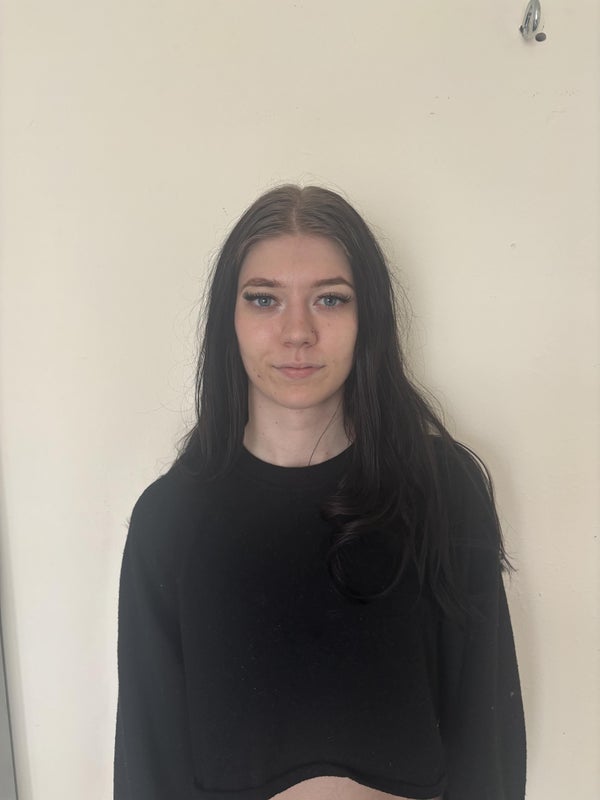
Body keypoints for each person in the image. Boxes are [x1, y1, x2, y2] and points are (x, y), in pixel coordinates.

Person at [114, 185, 526, 800]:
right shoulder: (169, 518)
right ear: (230, 320)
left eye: (330, 299)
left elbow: (486, 728)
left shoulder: (441, 490)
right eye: (264, 299)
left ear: (368, 319)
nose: (297, 332)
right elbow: (147, 757)